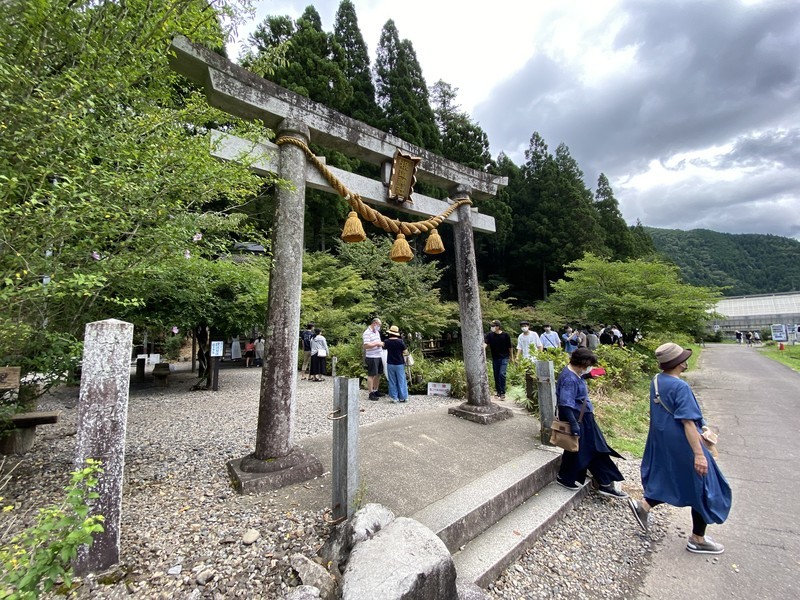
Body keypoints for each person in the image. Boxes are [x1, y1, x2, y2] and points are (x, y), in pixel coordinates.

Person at [627, 342, 732, 555]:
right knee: (703, 486)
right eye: (684, 358)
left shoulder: (657, 380)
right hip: (683, 441)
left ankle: (644, 506)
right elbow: (687, 422)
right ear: (680, 363)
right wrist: (699, 454)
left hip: (663, 438)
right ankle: (698, 539)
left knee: (674, 478)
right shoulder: (679, 386)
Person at [555, 348, 627, 499]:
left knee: (581, 448)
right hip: (577, 418)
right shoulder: (570, 379)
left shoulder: (575, 373)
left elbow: (577, 383)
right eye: (588, 366)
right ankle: (604, 482)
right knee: (592, 448)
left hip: (583, 417)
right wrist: (574, 424)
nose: (589, 368)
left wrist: (589, 375)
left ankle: (567, 477)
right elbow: (566, 404)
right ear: (582, 364)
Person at [484, 320, 513, 399]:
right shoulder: (490, 335)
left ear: (498, 326)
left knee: (502, 374)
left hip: (504, 357)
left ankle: (503, 392)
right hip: (495, 358)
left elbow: (510, 347)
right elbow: (486, 343)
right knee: (496, 375)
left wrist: (511, 357)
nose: (492, 327)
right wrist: (482, 348)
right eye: (492, 326)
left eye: (494, 326)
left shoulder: (505, 335)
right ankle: (498, 392)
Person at [383, 325, 409, 403]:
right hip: (399, 363)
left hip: (390, 363)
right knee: (401, 380)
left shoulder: (386, 341)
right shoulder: (400, 341)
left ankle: (394, 398)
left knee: (392, 381)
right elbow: (406, 352)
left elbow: (383, 348)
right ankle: (403, 397)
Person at [362, 318, 385, 400]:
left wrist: (380, 344)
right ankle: (370, 392)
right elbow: (366, 345)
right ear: (375, 323)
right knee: (371, 375)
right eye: (379, 325)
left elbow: (378, 342)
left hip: (379, 355)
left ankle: (376, 390)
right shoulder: (367, 333)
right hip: (372, 356)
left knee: (378, 374)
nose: (379, 327)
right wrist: (377, 344)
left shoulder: (377, 332)